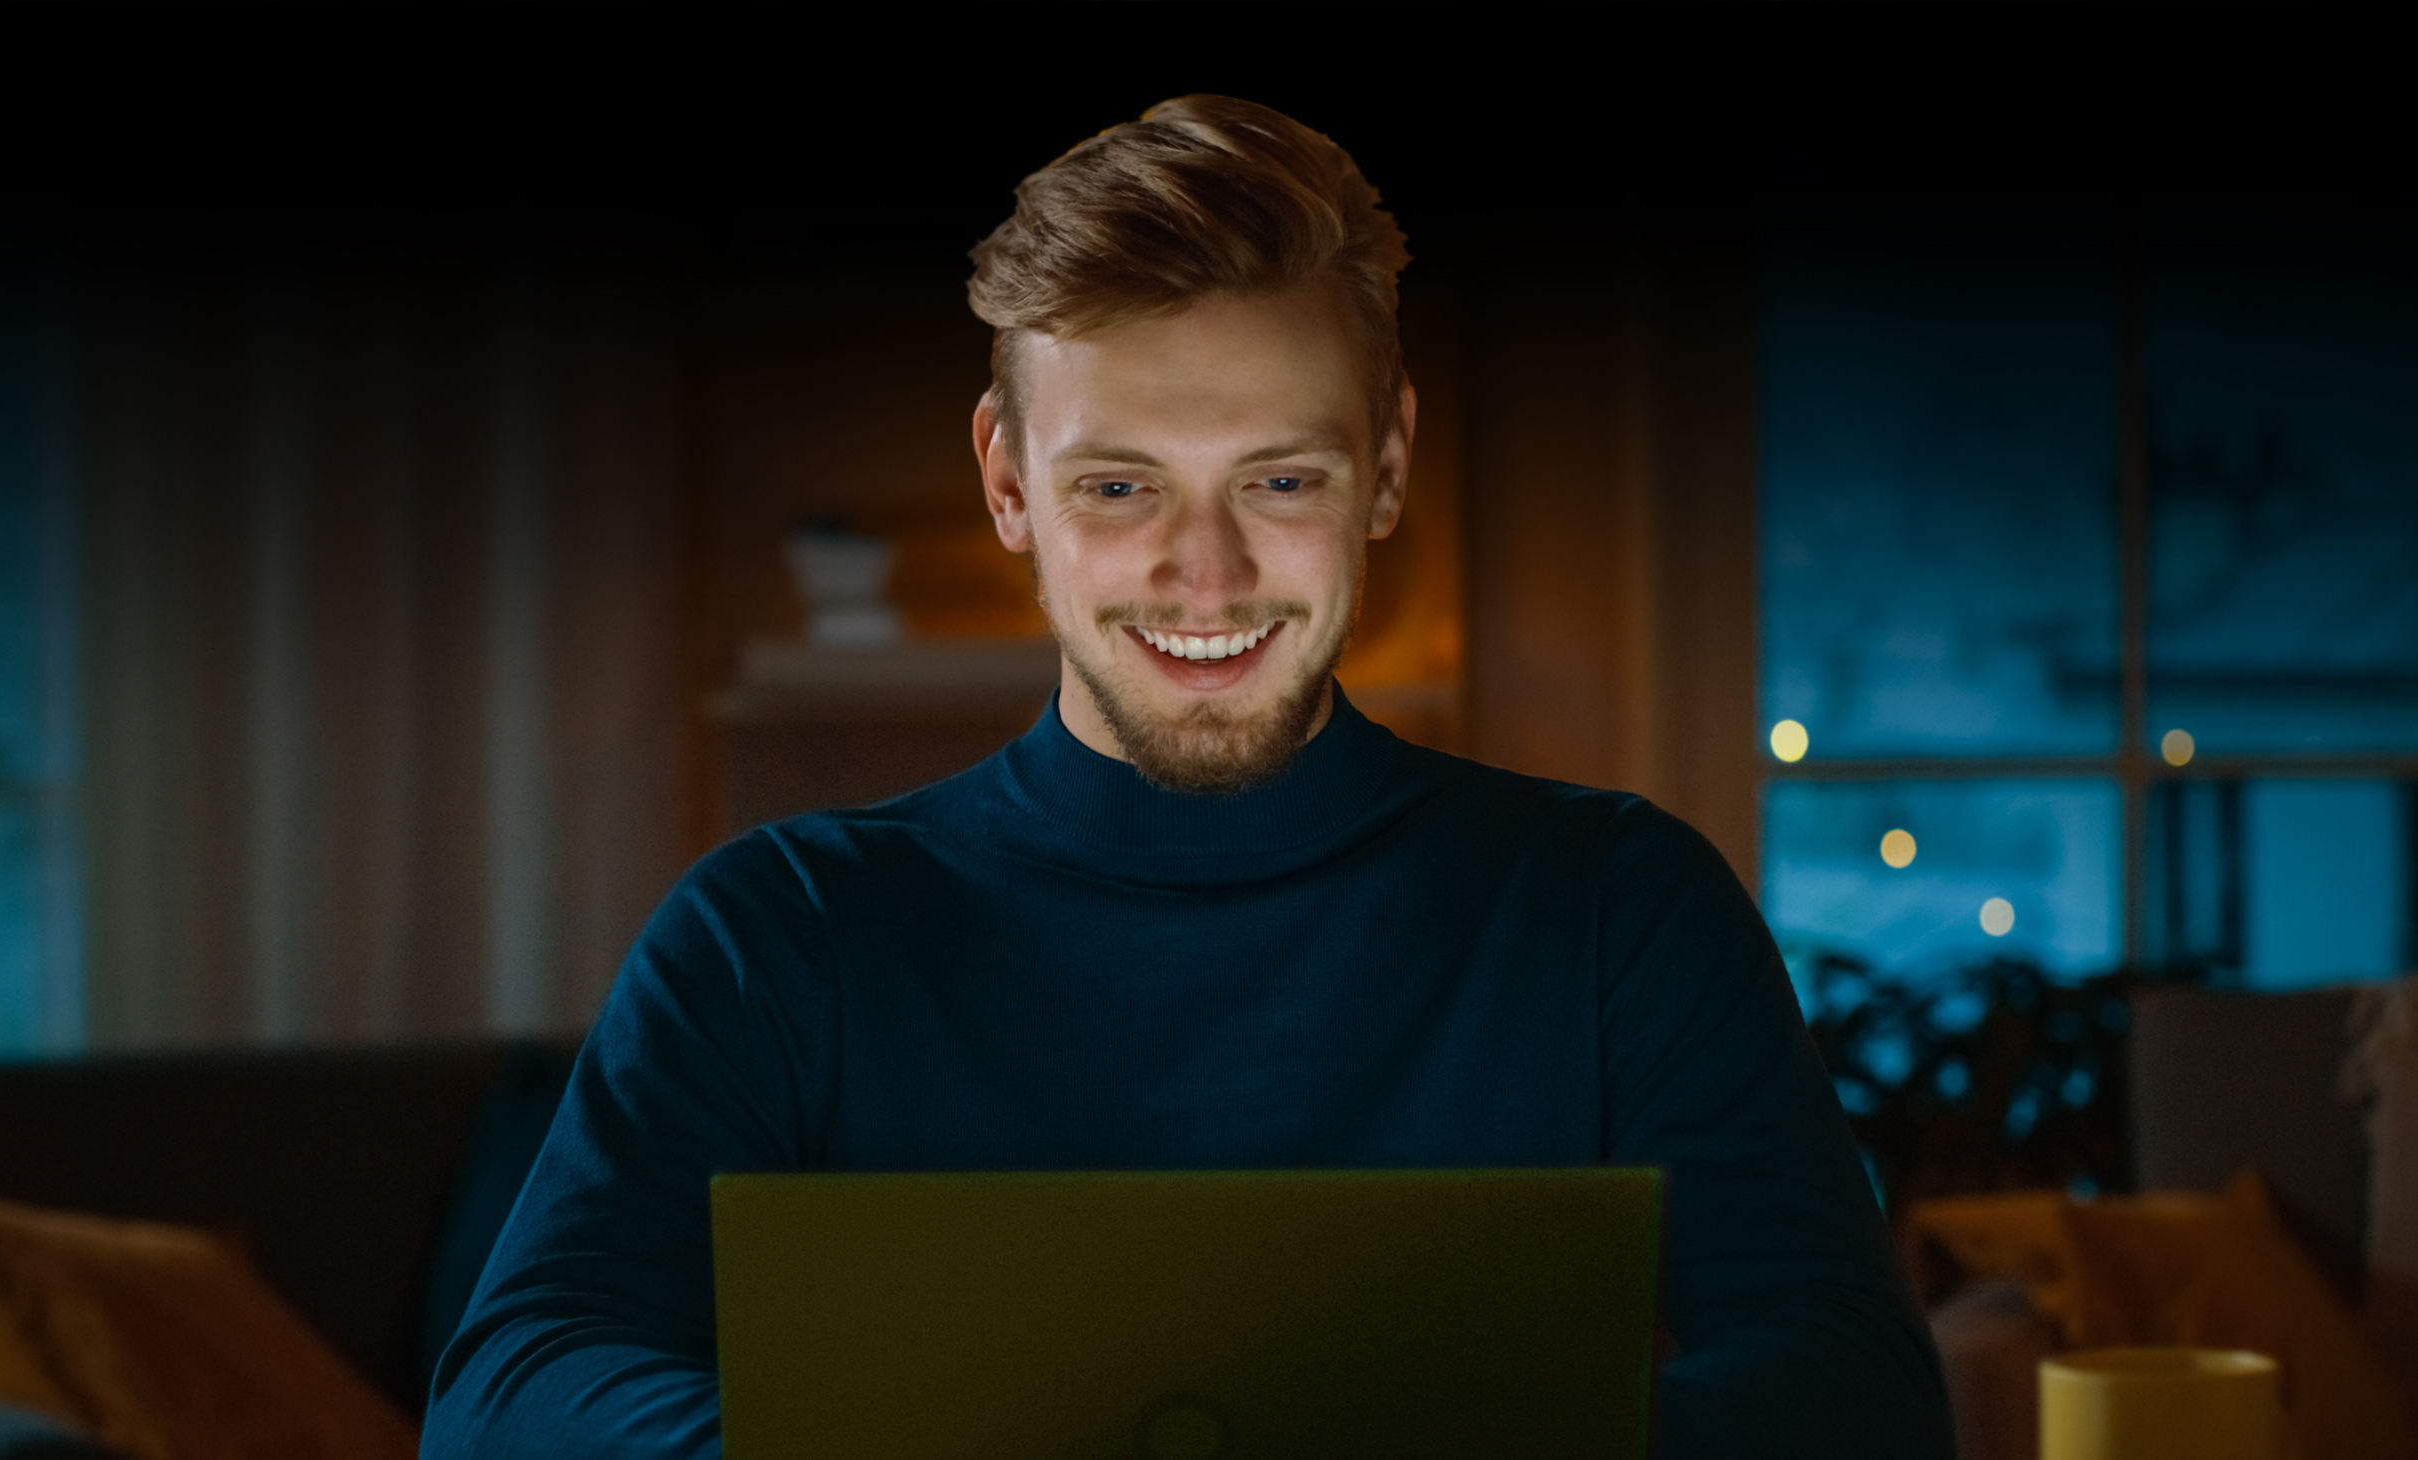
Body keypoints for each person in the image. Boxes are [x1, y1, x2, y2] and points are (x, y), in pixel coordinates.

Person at [423, 95, 1952, 1459]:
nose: (1204, 576)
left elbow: (1853, 1388)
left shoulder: (1620, 907)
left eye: (1280, 481)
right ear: (1007, 483)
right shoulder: (779, 930)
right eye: (1119, 487)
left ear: (1392, 463)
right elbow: (512, 1392)